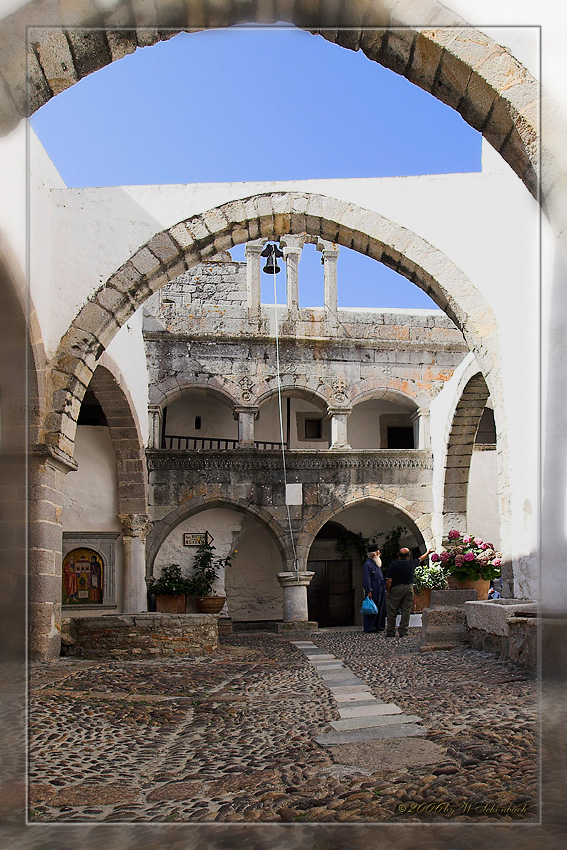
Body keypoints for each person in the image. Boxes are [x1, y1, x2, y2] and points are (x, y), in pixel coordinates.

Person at [385, 546, 433, 637]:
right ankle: (403, 631)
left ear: (398, 555)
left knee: (392, 610)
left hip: (396, 588)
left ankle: (391, 631)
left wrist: (388, 591)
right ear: (408, 555)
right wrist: (428, 552)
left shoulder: (393, 565)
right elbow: (420, 558)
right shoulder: (411, 563)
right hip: (408, 588)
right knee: (406, 610)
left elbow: (389, 580)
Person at [362, 544, 386, 633]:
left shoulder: (377, 564)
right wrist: (369, 590)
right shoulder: (367, 564)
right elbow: (366, 578)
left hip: (380, 588)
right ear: (373, 554)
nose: (379, 554)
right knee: (372, 608)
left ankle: (378, 625)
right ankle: (370, 627)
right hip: (373, 588)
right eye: (377, 552)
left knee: (380, 607)